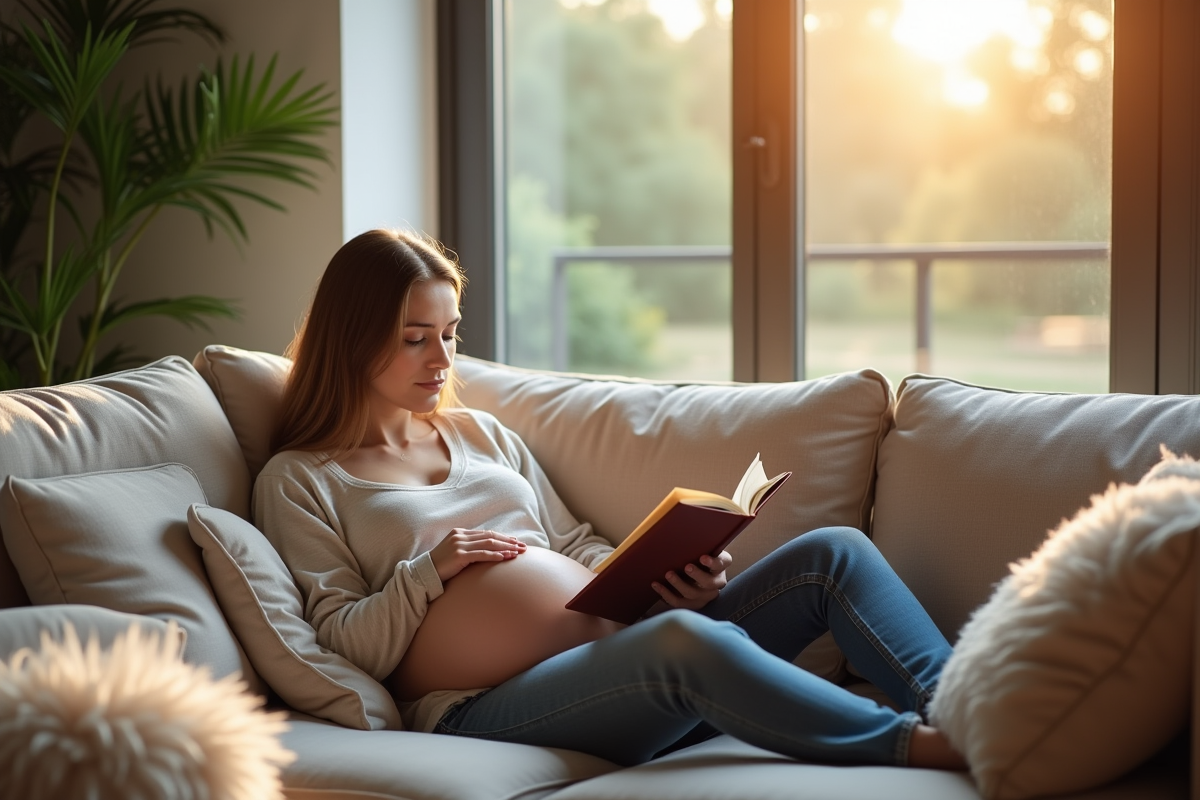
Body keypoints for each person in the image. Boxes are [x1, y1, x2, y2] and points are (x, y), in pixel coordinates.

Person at [254, 229, 965, 770]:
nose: (443, 360)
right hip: (490, 708)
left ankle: (975, 716)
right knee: (686, 643)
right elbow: (340, 645)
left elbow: (573, 545)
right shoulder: (301, 479)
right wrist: (429, 571)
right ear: (352, 341)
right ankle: (924, 749)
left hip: (627, 649)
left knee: (831, 555)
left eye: (448, 334)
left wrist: (661, 586)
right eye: (416, 339)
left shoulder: (481, 435)